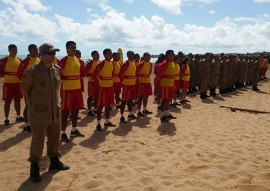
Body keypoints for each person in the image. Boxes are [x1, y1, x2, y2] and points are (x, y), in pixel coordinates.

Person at [21, 43, 69, 183]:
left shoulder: (56, 69)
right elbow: (24, 90)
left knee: (54, 138)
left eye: (54, 53)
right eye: (50, 53)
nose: (53, 56)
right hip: (39, 113)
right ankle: (34, 167)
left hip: (55, 111)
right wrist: (33, 106)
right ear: (41, 55)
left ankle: (54, 161)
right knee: (38, 140)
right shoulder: (32, 71)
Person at [59, 41, 85, 143]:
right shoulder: (63, 61)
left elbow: (82, 74)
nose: (74, 49)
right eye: (71, 47)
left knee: (76, 110)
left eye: (75, 47)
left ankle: (74, 129)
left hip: (77, 89)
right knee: (65, 111)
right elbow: (58, 74)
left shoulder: (79, 60)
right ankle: (63, 132)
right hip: (67, 89)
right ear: (67, 49)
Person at [17, 44, 40, 132]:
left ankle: (34, 123)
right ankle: (26, 125)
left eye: (37, 49)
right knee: (28, 105)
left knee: (37, 106)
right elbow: (19, 74)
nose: (37, 51)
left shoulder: (39, 60)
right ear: (29, 50)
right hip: (29, 88)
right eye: (35, 49)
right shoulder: (25, 61)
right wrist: (27, 84)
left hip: (38, 88)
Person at [92, 49, 116, 131]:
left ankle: (107, 121)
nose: (111, 55)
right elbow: (94, 74)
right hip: (103, 87)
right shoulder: (101, 63)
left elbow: (111, 74)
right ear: (105, 55)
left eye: (111, 53)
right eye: (109, 54)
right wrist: (100, 81)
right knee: (100, 105)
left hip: (110, 86)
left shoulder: (112, 63)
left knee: (108, 105)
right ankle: (98, 124)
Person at [0, 44, 24, 126]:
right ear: (9, 50)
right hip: (8, 84)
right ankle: (6, 118)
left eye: (16, 49)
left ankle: (18, 116)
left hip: (18, 84)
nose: (15, 51)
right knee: (7, 101)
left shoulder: (20, 60)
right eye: (13, 50)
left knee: (18, 100)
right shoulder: (4, 60)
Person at [155, 50, 176, 122]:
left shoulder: (172, 63)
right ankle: (162, 116)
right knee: (164, 100)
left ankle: (167, 114)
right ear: (167, 55)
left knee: (169, 100)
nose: (173, 55)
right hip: (165, 84)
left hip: (171, 84)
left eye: (173, 54)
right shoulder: (164, 63)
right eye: (172, 54)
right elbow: (158, 74)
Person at [119, 51, 138, 123]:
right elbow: (120, 74)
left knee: (130, 100)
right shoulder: (125, 63)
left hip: (132, 84)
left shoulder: (133, 63)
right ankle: (121, 116)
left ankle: (130, 114)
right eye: (131, 54)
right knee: (124, 101)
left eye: (133, 54)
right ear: (127, 55)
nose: (133, 55)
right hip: (127, 85)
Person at [136, 52, 153, 117]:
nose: (149, 58)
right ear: (144, 56)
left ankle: (144, 109)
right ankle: (138, 111)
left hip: (148, 82)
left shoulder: (150, 64)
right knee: (140, 97)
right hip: (142, 83)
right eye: (147, 56)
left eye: (149, 56)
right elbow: (136, 73)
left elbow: (149, 72)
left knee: (146, 96)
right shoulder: (140, 64)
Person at [85, 51, 100, 116]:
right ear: (93, 56)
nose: (98, 56)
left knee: (97, 96)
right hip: (92, 82)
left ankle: (96, 109)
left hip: (98, 82)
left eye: (98, 54)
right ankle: (89, 110)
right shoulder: (90, 63)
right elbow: (86, 72)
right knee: (91, 96)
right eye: (96, 54)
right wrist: (91, 77)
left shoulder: (99, 62)